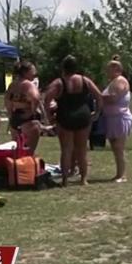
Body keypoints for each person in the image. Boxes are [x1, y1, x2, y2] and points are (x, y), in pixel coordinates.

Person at [45, 55, 104, 186]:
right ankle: (83, 179)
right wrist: (97, 113)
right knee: (82, 150)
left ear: (63, 68)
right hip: (83, 115)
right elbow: (99, 96)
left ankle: (65, 180)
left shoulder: (59, 83)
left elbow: (47, 99)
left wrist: (49, 117)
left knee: (66, 149)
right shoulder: (84, 80)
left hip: (65, 116)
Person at [102, 57, 132, 183]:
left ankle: (122, 175)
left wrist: (99, 96)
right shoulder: (112, 82)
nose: (106, 71)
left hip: (120, 118)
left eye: (109, 69)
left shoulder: (120, 81)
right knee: (115, 148)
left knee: (119, 147)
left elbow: (114, 98)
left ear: (117, 69)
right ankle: (118, 173)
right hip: (112, 118)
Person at [4, 61, 43, 153]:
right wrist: (33, 112)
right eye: (33, 70)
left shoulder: (13, 85)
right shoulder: (29, 85)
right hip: (28, 118)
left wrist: (10, 115)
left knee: (17, 150)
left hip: (16, 116)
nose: (35, 73)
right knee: (29, 151)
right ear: (26, 72)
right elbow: (35, 98)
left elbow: (7, 101)